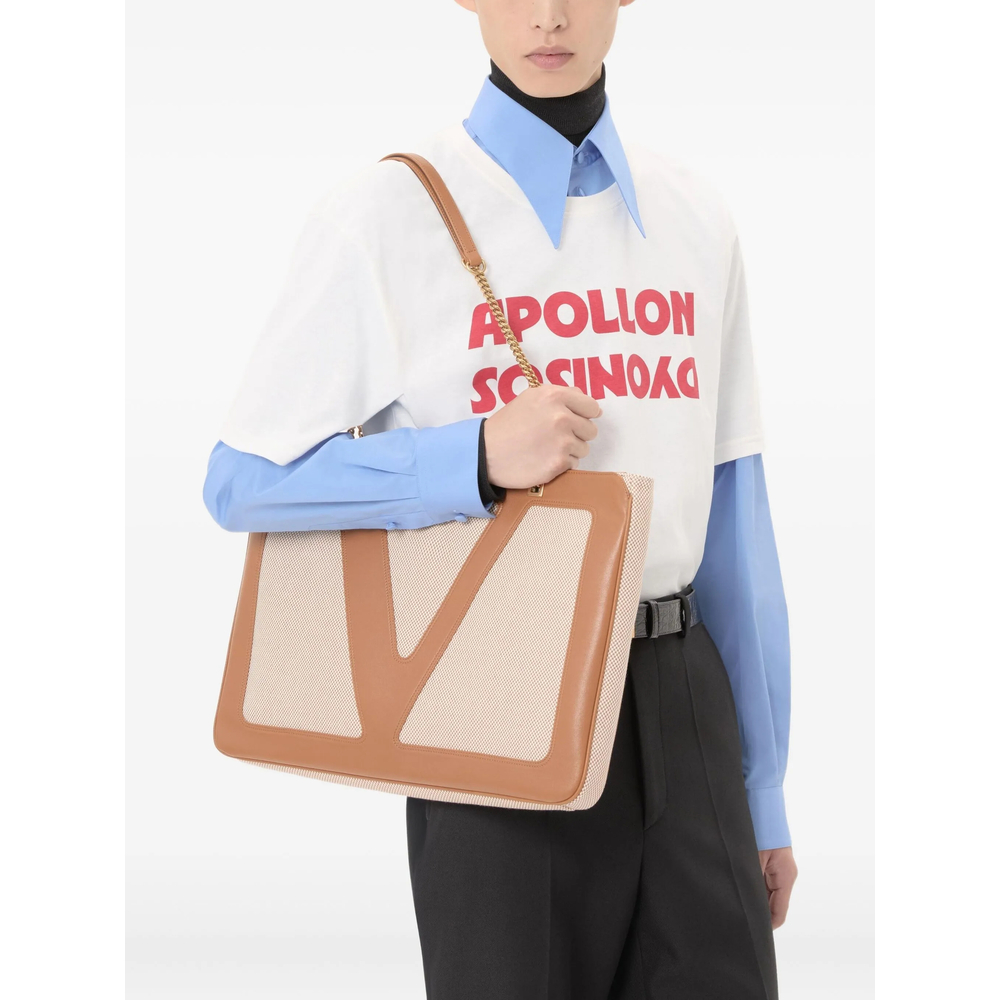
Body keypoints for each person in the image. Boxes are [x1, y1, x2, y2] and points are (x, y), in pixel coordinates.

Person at [203, 1, 797, 996]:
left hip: (687, 704)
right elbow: (242, 480)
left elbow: (736, 519)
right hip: (490, 701)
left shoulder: (696, 217)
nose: (550, 16)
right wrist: (471, 456)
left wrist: (762, 790)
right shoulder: (384, 215)